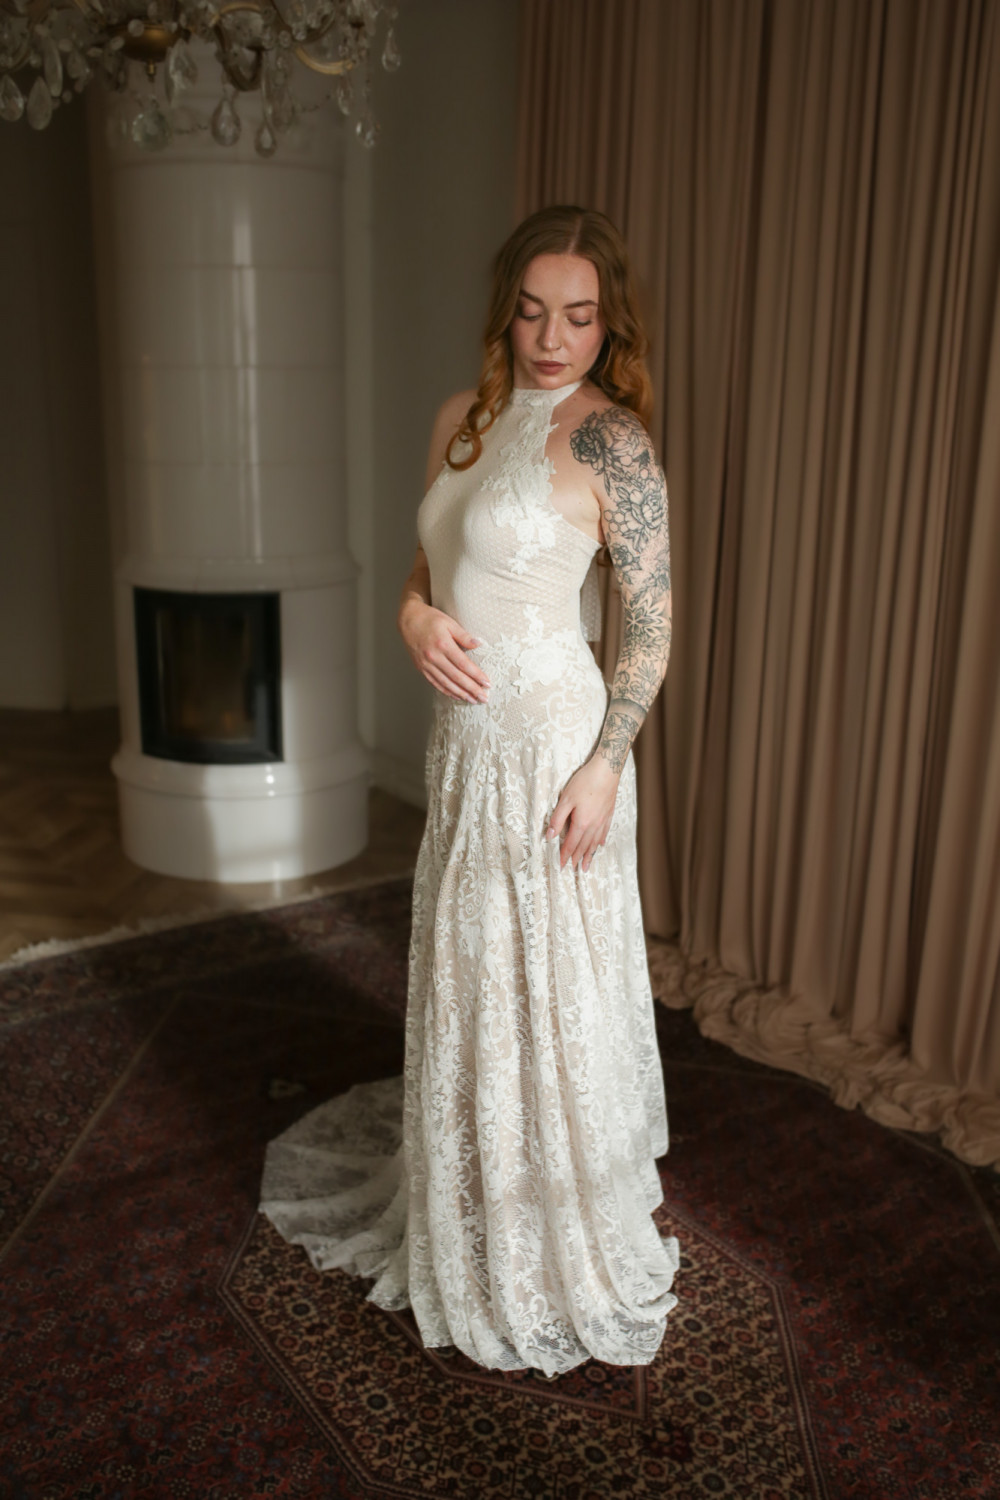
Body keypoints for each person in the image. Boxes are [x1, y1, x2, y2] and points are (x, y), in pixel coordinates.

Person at [260, 204, 680, 1378]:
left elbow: (649, 629)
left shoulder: (614, 445)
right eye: (534, 311)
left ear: (608, 325)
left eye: (579, 317)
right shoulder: (462, 416)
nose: (552, 339)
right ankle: (471, 1201)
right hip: (464, 745)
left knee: (543, 982)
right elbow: (427, 565)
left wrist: (606, 763)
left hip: (554, 748)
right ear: (506, 310)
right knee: (473, 970)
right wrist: (409, 617)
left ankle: (548, 1238)